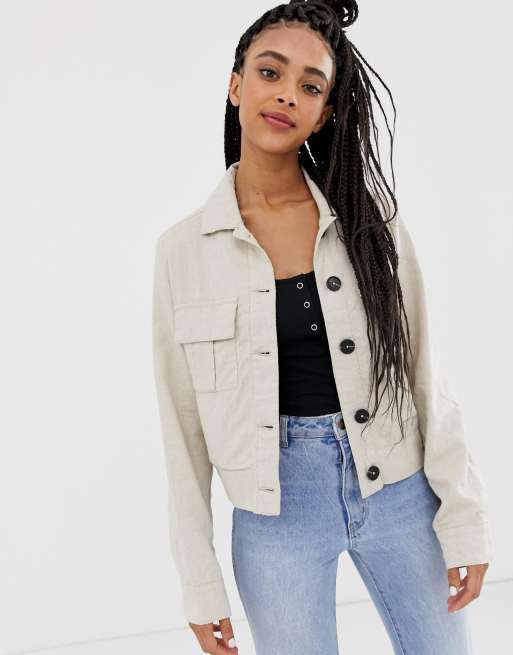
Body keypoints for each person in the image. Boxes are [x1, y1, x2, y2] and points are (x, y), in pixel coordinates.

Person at [151, 1, 493, 653]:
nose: (287, 94)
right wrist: (199, 584)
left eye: (310, 86)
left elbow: (426, 374)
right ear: (235, 85)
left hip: (399, 490)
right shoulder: (183, 251)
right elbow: (181, 427)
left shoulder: (373, 222)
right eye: (270, 72)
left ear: (326, 112)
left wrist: (463, 517)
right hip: (276, 513)